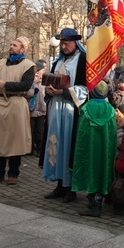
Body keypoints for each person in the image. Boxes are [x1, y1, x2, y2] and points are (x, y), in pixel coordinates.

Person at [41, 28, 88, 201]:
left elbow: (86, 88)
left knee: (69, 146)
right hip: (55, 110)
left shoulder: (83, 60)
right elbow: (51, 81)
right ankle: (59, 184)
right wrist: (49, 90)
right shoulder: (57, 61)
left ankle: (71, 188)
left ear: (75, 43)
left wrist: (64, 92)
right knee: (57, 145)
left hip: (71, 111)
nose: (64, 46)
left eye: (67, 43)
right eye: (62, 43)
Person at [0, 37, 35, 185]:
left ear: (22, 49)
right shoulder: (0, 64)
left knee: (15, 140)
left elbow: (26, 85)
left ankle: (13, 173)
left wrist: (6, 84)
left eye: (15, 45)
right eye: (11, 44)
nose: (11, 46)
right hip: (0, 102)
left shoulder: (29, 65)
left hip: (16, 103)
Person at [71, 80, 117, 217]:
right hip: (104, 150)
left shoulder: (86, 109)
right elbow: (112, 134)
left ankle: (93, 205)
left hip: (90, 150)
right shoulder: (110, 110)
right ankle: (101, 198)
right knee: (103, 169)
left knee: (91, 169)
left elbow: (82, 133)